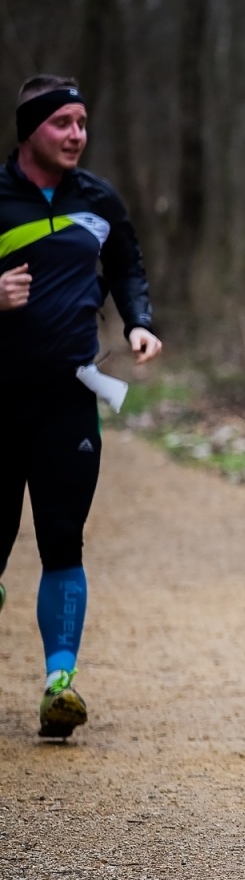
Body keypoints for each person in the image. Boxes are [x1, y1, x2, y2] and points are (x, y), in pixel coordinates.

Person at [0, 75, 162, 739]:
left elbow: (127, 266)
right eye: (62, 123)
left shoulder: (98, 198)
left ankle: (59, 686)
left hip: (68, 396)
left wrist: (139, 322)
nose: (76, 135)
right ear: (30, 130)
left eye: (83, 123)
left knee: (62, 539)